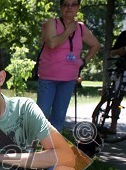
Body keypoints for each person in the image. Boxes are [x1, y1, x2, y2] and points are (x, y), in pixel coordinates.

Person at [36, 0, 100, 131]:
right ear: (60, 7)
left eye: (73, 4)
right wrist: (68, 31)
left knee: (59, 117)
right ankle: (31, 146)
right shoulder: (51, 23)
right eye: (65, 4)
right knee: (41, 115)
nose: (69, 7)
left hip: (69, 79)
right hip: (48, 77)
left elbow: (96, 45)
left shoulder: (81, 27)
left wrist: (84, 61)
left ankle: (53, 148)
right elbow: (52, 43)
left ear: (78, 8)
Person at [105, 29, 126, 134]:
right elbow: (111, 53)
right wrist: (120, 51)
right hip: (124, 70)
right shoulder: (125, 34)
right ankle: (113, 126)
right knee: (117, 99)